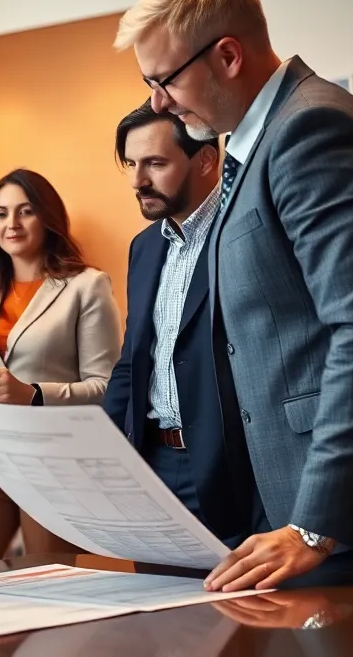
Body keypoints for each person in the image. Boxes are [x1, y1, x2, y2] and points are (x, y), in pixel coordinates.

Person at [114, 0, 353, 590]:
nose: (157, 102)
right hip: (292, 505)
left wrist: (315, 523)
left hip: (351, 520)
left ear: (226, 56)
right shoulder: (256, 144)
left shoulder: (312, 129)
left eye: (163, 80)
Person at [0, 168, 121, 565]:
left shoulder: (87, 286)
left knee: (49, 593)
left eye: (25, 211)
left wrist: (33, 394)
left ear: (48, 217)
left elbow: (107, 387)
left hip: (52, 467)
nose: (11, 224)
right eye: (1, 213)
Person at [102, 100, 252, 546]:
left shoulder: (245, 233)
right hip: (151, 464)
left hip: (229, 465)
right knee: (152, 609)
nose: (137, 180)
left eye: (155, 163)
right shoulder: (144, 247)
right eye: (130, 163)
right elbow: (132, 362)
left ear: (207, 159)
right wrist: (111, 459)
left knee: (239, 611)